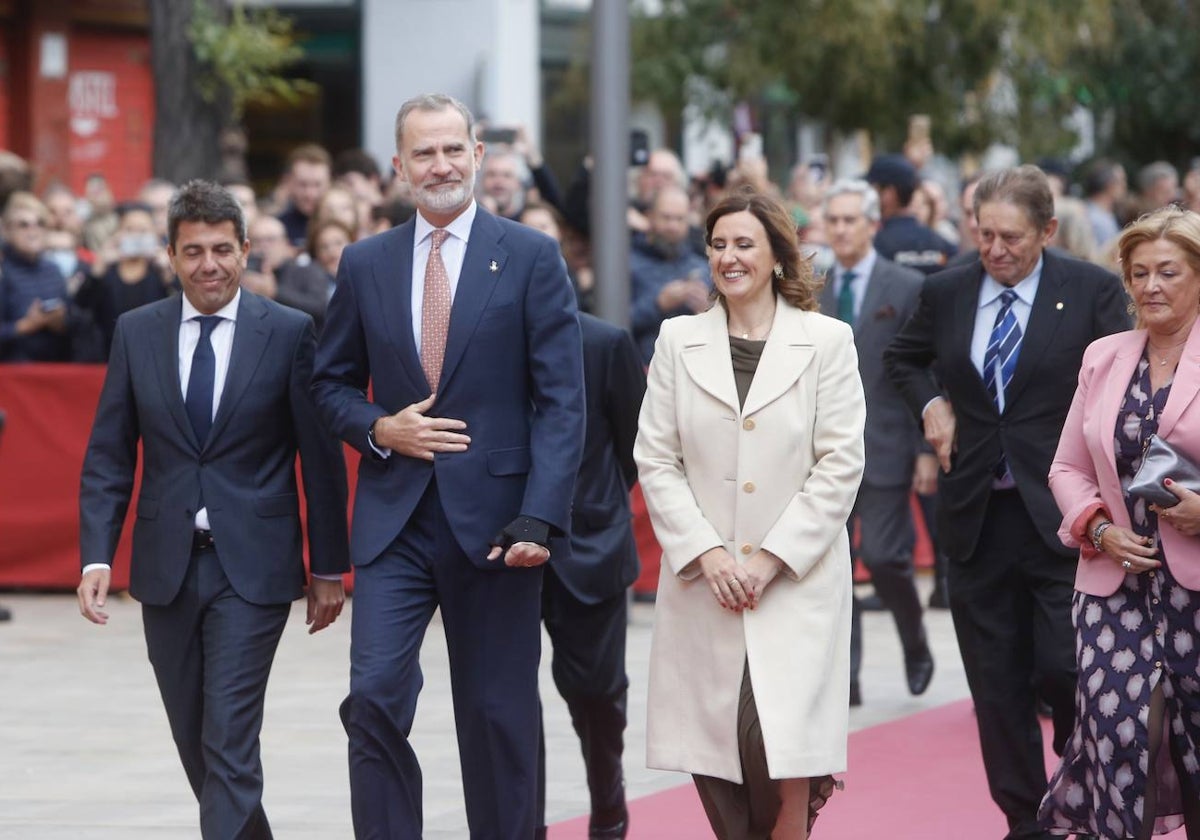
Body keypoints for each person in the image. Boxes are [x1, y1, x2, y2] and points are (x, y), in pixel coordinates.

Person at [311, 92, 585, 839]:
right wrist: (378, 428)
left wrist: (540, 513)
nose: (440, 165)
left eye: (452, 149)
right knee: (371, 698)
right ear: (399, 168)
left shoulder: (529, 255)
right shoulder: (365, 263)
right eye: (423, 153)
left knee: (498, 718)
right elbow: (328, 384)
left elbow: (563, 399)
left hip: (499, 527)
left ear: (478, 156)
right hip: (394, 521)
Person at [76, 180, 350, 839]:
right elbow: (110, 453)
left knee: (228, 735)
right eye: (193, 251)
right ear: (170, 256)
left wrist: (328, 566)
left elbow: (319, 460)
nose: (209, 265)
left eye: (223, 249)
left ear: (247, 250)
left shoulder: (287, 332)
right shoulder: (136, 332)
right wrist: (95, 553)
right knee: (195, 738)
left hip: (251, 571)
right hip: (166, 568)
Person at [884, 164, 1131, 840]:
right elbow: (901, 359)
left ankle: (1079, 774)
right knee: (996, 686)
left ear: (1047, 231)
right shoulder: (948, 290)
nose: (995, 249)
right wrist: (931, 403)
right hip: (976, 518)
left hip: (1067, 518)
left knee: (1066, 665)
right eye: (984, 233)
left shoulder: (1091, 293)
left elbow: (1123, 384)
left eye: (1012, 237)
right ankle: (1025, 819)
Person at [635, 188, 865, 840]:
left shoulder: (827, 340)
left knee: (774, 745)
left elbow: (840, 463)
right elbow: (657, 459)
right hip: (705, 587)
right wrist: (707, 554)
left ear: (776, 255)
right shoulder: (678, 340)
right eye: (718, 245)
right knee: (718, 755)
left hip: (794, 582)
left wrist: (769, 561)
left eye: (744, 244)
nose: (729, 258)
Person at [1040, 205, 1200, 839]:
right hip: (1115, 589)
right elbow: (1065, 468)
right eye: (1139, 274)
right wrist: (1098, 528)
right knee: (1121, 738)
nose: (1151, 287)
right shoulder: (1104, 357)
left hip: (1196, 592)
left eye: (1167, 272)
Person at [817, 179, 934, 707]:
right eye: (833, 220)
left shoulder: (906, 285)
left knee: (885, 557)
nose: (841, 229)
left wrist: (927, 447)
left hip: (884, 443)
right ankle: (849, 676)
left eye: (850, 220)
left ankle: (914, 639)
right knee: (833, 562)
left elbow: (924, 367)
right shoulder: (809, 283)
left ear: (871, 224)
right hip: (817, 449)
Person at [534, 312, 646, 840]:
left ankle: (608, 803)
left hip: (590, 543)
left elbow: (634, 445)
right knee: (500, 695)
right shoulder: (478, 335)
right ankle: (519, 818)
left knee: (597, 693)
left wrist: (590, 506)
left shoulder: (604, 341)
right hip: (496, 544)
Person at [74, 201, 174, 360]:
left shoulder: (161, 271)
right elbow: (80, 310)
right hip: (109, 358)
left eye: (143, 230)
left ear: (154, 233)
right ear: (118, 233)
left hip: (154, 357)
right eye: (129, 229)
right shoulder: (106, 271)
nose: (136, 236)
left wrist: (169, 273)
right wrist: (97, 270)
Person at [629, 184, 711, 364]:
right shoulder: (627, 263)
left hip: (693, 368)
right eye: (666, 218)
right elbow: (612, 323)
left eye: (680, 219)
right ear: (650, 216)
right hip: (643, 369)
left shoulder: (703, 266)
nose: (672, 226)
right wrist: (658, 304)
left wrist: (709, 310)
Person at [0, 191, 72, 362]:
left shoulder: (53, 270)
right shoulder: (2, 272)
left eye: (39, 224)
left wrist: (61, 322)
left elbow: (73, 323)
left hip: (54, 370)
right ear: (7, 230)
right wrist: (26, 325)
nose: (33, 231)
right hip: (10, 376)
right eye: (24, 225)